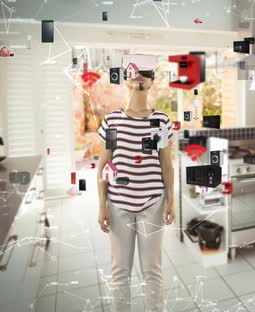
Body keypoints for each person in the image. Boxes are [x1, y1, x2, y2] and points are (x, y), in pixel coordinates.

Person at [96, 61, 175, 312]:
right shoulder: (112, 121)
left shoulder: (161, 121)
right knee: (120, 271)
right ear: (126, 80)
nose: (140, 78)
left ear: (151, 82)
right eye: (134, 74)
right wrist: (102, 205)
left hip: (152, 203)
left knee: (152, 270)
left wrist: (171, 199)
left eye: (146, 75)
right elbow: (103, 165)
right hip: (118, 204)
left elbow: (167, 165)